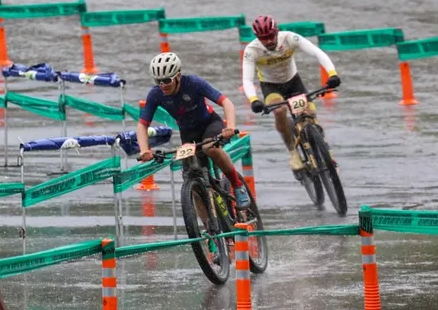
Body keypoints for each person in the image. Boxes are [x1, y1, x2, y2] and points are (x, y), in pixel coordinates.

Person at [136, 52, 251, 210]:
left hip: (210, 123)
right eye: (158, 81)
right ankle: (208, 229)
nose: (163, 85)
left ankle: (238, 186)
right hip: (188, 133)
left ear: (178, 76)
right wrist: (144, 150)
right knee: (191, 177)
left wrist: (230, 127)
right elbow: (142, 124)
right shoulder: (156, 94)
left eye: (167, 80)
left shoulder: (194, 83)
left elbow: (226, 103)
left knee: (209, 148)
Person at [242, 15, 341, 174]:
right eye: (263, 38)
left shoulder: (289, 38)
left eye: (270, 36)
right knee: (279, 111)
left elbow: (317, 53)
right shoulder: (252, 50)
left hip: (293, 82)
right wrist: (253, 100)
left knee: (310, 113)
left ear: (276, 31)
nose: (267, 41)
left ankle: (326, 151)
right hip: (271, 86)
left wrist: (332, 74)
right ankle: (293, 153)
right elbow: (247, 79)